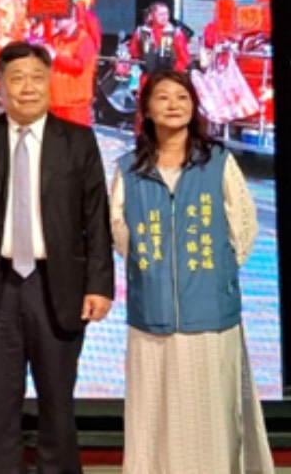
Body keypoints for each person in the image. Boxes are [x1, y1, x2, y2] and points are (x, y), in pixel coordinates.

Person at [0, 41, 114, 474]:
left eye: (37, 78)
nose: (28, 88)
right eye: (16, 79)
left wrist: (99, 285)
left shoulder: (77, 141)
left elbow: (96, 219)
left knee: (58, 400)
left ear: (49, 82)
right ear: (0, 85)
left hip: (57, 285)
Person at [111, 70, 274, 474]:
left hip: (210, 318)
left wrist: (211, 278)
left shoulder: (218, 163)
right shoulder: (128, 169)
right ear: (146, 109)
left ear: (194, 107)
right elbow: (121, 233)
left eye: (182, 97)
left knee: (211, 418)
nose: (174, 105)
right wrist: (156, 274)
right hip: (151, 317)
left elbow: (243, 227)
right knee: (153, 418)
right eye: (163, 97)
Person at [46, 7, 98, 127]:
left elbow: (80, 65)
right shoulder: (55, 39)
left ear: (72, 18)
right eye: (55, 17)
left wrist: (56, 57)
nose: (55, 21)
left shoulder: (84, 40)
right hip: (55, 102)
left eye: (59, 18)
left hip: (75, 105)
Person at [128, 1, 190, 75]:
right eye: (161, 14)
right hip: (147, 76)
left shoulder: (176, 33)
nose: (165, 17)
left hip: (169, 76)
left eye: (167, 14)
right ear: (151, 16)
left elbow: (184, 58)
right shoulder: (141, 32)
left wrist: (173, 72)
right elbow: (134, 54)